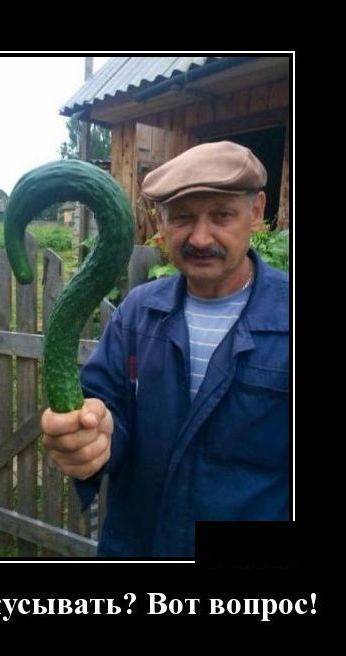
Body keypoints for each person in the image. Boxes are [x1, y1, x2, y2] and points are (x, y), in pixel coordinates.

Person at [41, 140, 289, 558]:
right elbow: (105, 408)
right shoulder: (137, 312)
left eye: (222, 215)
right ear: (162, 221)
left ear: (256, 212)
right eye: (183, 217)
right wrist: (94, 436)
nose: (200, 237)